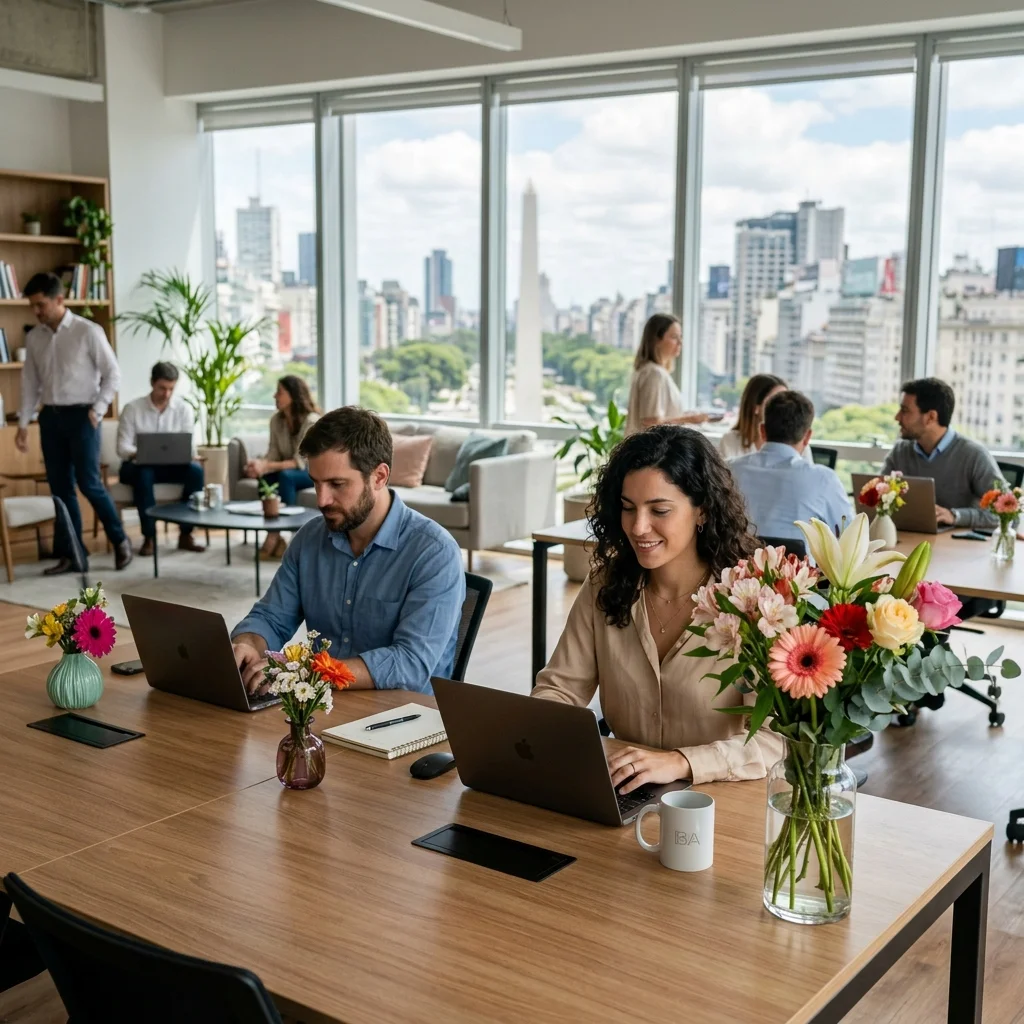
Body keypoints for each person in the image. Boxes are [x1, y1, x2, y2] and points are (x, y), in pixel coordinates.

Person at [532, 425, 782, 791]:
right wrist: (532, 731)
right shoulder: (606, 586)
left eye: (659, 509)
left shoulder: (754, 603)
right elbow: (560, 688)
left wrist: (681, 762)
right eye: (628, 508)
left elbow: (776, 740)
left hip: (724, 795)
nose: (638, 526)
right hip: (625, 789)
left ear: (703, 511)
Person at [231, 406, 465, 696]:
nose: (322, 499)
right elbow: (271, 617)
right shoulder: (309, 539)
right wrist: (247, 645)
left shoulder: (434, 553)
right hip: (321, 703)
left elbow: (410, 664)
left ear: (379, 477)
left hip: (402, 718)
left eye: (336, 484)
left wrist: (307, 673)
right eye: (316, 483)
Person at [16, 272, 132, 574]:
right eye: (33, 306)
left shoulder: (87, 331)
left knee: (90, 483)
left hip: (83, 417)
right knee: (60, 489)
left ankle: (120, 541)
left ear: (59, 300)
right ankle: (74, 554)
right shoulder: (34, 337)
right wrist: (24, 423)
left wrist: (97, 409)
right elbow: (30, 383)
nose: (37, 311)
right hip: (50, 419)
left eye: (41, 304)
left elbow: (113, 373)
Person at [730, 390, 852, 540]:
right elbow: (851, 539)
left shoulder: (728, 471)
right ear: (807, 437)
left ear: (762, 431)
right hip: (798, 563)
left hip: (733, 562)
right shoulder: (824, 480)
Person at [883, 377, 1003, 530]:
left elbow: (1004, 512)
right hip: (911, 540)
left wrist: (955, 516)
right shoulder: (900, 452)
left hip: (959, 547)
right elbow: (878, 502)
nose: (897, 417)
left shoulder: (974, 455)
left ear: (931, 417)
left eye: (905, 410)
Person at [117, 361, 206, 557]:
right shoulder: (132, 408)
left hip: (172, 466)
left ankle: (185, 534)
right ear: (152, 383)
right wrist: (142, 453)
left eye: (171, 389)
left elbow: (188, 444)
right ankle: (149, 537)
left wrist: (189, 454)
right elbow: (122, 448)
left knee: (196, 472)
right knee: (144, 474)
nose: (166, 394)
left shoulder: (183, 409)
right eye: (162, 388)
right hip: (137, 466)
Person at [243, 375, 320, 558]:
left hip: (311, 471)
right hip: (290, 471)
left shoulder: (312, 421)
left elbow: (299, 462)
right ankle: (275, 536)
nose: (274, 396)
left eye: (279, 392)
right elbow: (273, 453)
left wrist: (267, 465)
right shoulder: (276, 421)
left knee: (286, 476)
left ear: (293, 395)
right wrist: (260, 465)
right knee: (266, 478)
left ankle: (285, 535)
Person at [625, 314, 708, 435]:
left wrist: (683, 416)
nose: (680, 342)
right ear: (656, 340)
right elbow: (651, 422)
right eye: (674, 337)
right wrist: (691, 420)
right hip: (651, 451)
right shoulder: (654, 373)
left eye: (681, 337)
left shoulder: (648, 370)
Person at [718, 374, 812, 464]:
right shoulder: (730, 441)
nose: (783, 407)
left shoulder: (798, 441)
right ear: (756, 407)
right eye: (775, 401)